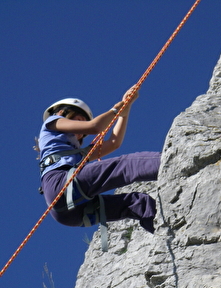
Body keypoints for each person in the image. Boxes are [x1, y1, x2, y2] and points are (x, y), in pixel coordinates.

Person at [37, 86, 161, 250]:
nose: (81, 129)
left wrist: (125, 110)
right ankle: (169, 162)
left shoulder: (77, 154)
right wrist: (119, 107)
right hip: (60, 183)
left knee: (138, 203)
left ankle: (165, 231)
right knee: (126, 165)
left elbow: (114, 143)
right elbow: (95, 127)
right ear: (61, 113)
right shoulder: (51, 123)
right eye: (78, 120)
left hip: (69, 213)